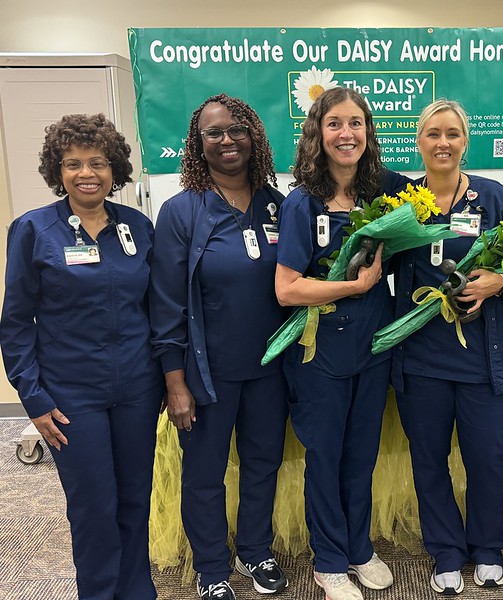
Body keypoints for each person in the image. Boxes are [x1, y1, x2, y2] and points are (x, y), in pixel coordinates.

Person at [0, 114, 163, 599]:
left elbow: (156, 308)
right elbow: (15, 323)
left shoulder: (137, 227)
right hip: (72, 396)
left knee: (135, 500)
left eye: (97, 162)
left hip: (136, 388)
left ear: (115, 170)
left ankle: (138, 592)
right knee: (93, 506)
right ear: (58, 170)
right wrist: (32, 396)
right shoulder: (33, 230)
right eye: (73, 164)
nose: (86, 173)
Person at [149, 94, 290, 600]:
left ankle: (256, 552)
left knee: (262, 464)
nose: (227, 140)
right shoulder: (182, 212)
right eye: (214, 133)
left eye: (236, 129)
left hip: (271, 369)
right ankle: (212, 569)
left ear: (253, 135)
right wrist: (174, 380)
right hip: (206, 375)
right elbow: (164, 303)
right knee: (205, 473)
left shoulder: (279, 204)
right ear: (198, 144)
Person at [274, 87, 407, 600]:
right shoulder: (301, 203)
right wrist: (352, 287)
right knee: (325, 456)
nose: (346, 134)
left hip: (372, 347)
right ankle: (328, 560)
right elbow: (287, 289)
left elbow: (433, 201)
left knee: (361, 454)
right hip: (319, 351)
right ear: (318, 133)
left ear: (369, 132)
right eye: (335, 124)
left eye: (356, 123)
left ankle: (357, 547)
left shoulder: (385, 192)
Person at [390, 99, 503, 595]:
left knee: (488, 456)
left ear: (466, 142)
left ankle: (487, 549)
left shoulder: (494, 199)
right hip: (421, 358)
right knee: (429, 458)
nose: (442, 143)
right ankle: (445, 550)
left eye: (452, 134)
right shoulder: (402, 203)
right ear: (418, 143)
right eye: (432, 134)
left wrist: (499, 281)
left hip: (482, 359)